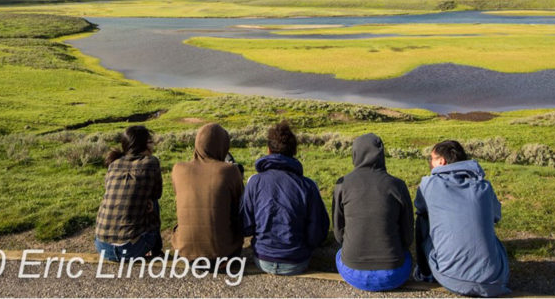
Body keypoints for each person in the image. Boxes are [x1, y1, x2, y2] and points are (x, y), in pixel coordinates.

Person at [414, 140, 510, 297]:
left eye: (430, 159)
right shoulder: (484, 186)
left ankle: (425, 274)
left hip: (451, 277)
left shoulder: (428, 184)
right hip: (495, 280)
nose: (429, 163)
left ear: (441, 161)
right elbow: (496, 216)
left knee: (423, 218)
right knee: (489, 232)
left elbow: (420, 206)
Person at [240, 122, 329, 276]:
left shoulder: (254, 182)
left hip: (263, 259)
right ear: (294, 152)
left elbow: (245, 227)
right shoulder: (308, 186)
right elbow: (318, 233)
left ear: (269, 150)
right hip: (297, 261)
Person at [332, 133, 414, 291]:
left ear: (355, 154)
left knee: (340, 254)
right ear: (381, 155)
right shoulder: (398, 185)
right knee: (406, 257)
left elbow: (338, 233)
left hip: (352, 272)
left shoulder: (342, 185)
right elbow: (408, 236)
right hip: (394, 274)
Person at [171, 123, 244, 260]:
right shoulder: (230, 171)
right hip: (223, 254)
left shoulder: (178, 169)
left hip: (185, 253)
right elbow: (239, 207)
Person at [94, 125, 162, 261]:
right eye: (150, 142)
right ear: (144, 145)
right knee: (153, 203)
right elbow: (157, 193)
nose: (153, 145)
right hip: (131, 249)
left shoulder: (114, 164)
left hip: (102, 247)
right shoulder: (151, 162)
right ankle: (156, 251)